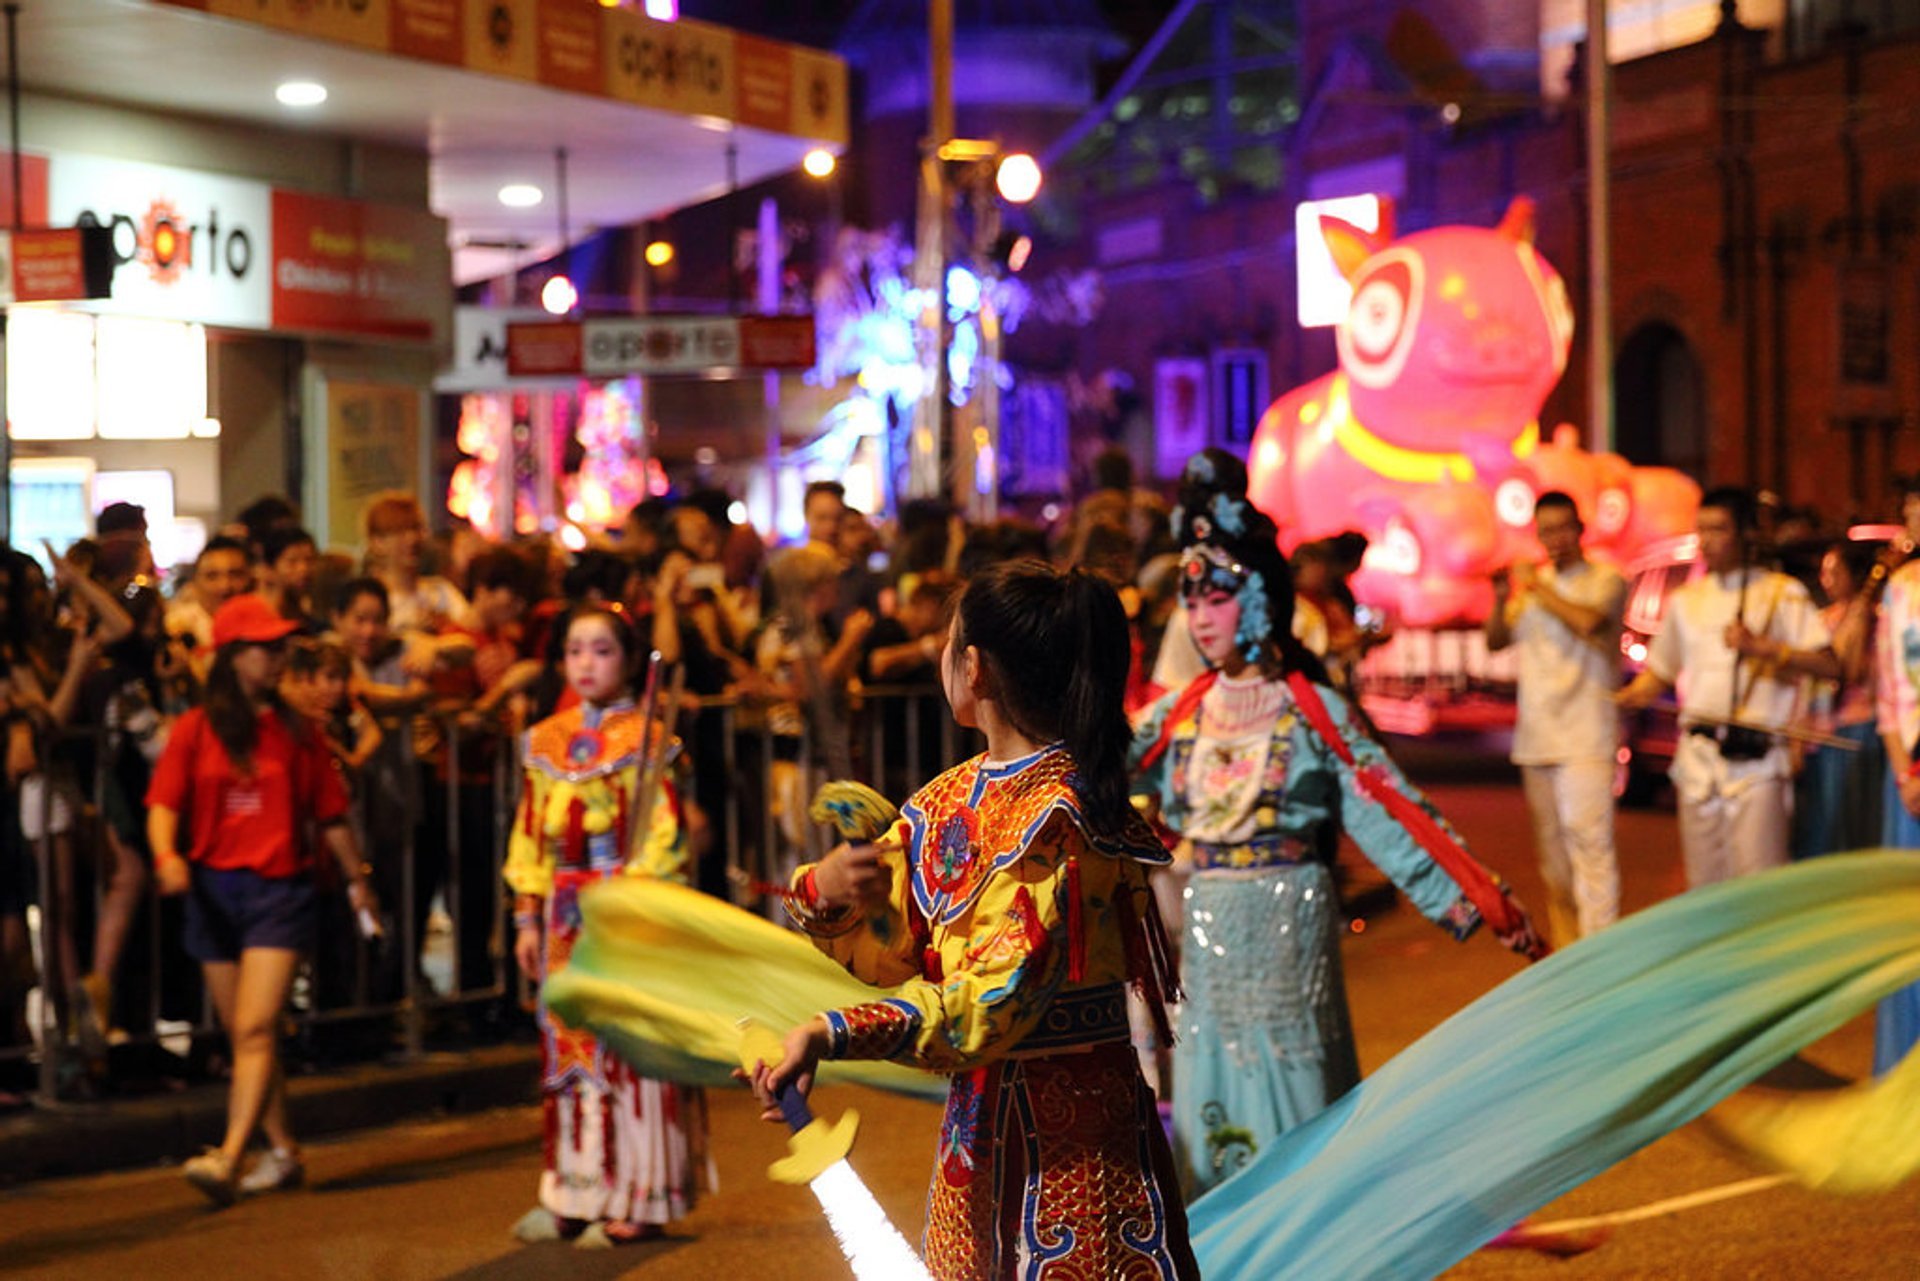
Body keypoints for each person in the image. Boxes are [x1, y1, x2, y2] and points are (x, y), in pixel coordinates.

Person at [751, 560, 1200, 1279]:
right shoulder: (943, 801)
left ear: (974, 666)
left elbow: (986, 1004)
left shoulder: (1059, 821)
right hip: (979, 1125)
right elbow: (897, 950)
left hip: (1072, 1141)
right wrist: (832, 886)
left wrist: (832, 1030)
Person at [1129, 449, 1542, 1198]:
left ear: (1256, 598)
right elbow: (1090, 776)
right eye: (1190, 599)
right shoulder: (1180, 713)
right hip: (1210, 917)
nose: (1198, 614)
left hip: (1291, 910)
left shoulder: (1309, 708)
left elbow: (1392, 807)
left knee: (1295, 1078)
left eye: (1215, 596)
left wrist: (1482, 895)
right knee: (1208, 1078)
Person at [146, 595, 377, 1204]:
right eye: (265, 647)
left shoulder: (298, 731)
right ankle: (282, 1149)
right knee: (247, 1033)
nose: (278, 658)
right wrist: (167, 855)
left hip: (280, 888)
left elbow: (331, 815)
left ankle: (229, 1155)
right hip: (212, 890)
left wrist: (360, 881)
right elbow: (164, 802)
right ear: (231, 655)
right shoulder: (196, 729)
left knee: (252, 1028)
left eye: (281, 647)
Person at [505, 605, 708, 1247]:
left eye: (602, 650)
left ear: (627, 660)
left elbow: (662, 839)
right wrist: (526, 918)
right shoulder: (546, 739)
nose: (586, 663)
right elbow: (532, 838)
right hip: (564, 915)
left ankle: (641, 1194)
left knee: (628, 1052)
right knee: (567, 1049)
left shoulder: (649, 741)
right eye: (575, 651)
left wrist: (636, 906)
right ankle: (573, 1190)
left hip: (624, 913)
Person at [1618, 487, 1838, 886]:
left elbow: (1827, 664)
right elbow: (1660, 673)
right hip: (1700, 758)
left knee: (1759, 884)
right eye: (1702, 529)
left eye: (1719, 529)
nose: (1707, 540)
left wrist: (1767, 649)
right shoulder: (1687, 599)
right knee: (1705, 885)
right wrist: (1626, 698)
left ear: (1747, 534)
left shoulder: (1780, 592)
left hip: (1757, 762)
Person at [1485, 490, 1627, 945]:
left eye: (1563, 528)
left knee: (1591, 847)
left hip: (1587, 734)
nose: (1556, 539)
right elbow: (1496, 639)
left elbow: (1588, 623)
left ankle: (1601, 955)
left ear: (1580, 529)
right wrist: (1501, 596)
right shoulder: (1530, 591)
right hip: (1538, 736)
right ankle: (1571, 951)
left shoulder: (1606, 579)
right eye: (1546, 531)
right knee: (1554, 862)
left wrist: (1538, 587)